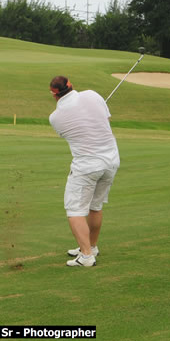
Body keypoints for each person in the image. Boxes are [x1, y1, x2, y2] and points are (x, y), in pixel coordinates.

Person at [48, 76, 120, 267]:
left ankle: (87, 256)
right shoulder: (92, 95)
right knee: (95, 206)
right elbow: (105, 120)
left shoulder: (55, 118)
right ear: (71, 85)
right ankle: (91, 246)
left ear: (54, 95)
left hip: (87, 165)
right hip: (111, 160)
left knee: (75, 210)